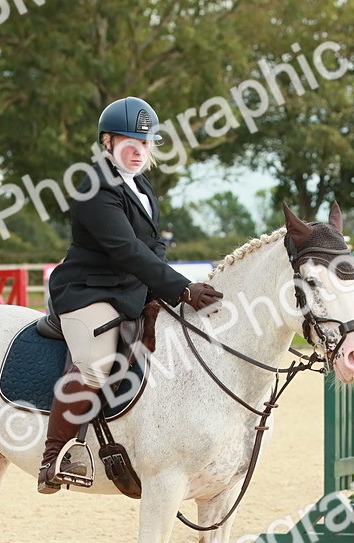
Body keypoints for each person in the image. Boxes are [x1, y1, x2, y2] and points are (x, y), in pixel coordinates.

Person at [38, 96, 223, 493]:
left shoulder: (140, 185)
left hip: (131, 290)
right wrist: (181, 288)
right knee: (94, 365)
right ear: (107, 142)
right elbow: (125, 249)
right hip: (89, 292)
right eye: (128, 143)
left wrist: (168, 289)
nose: (138, 152)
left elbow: (153, 246)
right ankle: (55, 456)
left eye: (144, 144)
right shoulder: (94, 186)